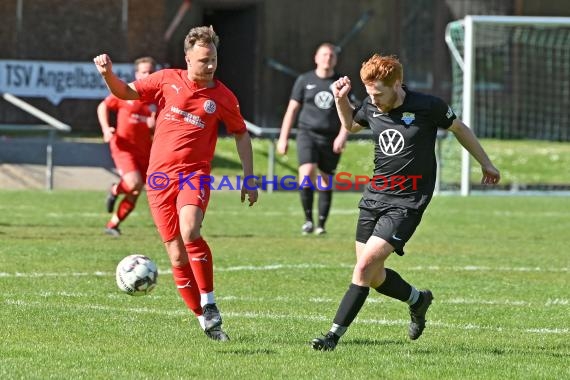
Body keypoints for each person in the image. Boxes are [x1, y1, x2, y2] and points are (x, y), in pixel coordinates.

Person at [311, 54, 500, 351]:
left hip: (408, 200)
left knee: (362, 268)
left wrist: (486, 164)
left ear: (396, 84)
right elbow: (350, 125)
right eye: (369, 94)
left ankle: (332, 336)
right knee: (373, 276)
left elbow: (460, 129)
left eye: (379, 93)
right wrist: (340, 99)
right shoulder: (371, 105)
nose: (373, 100)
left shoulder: (428, 106)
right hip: (374, 197)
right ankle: (418, 299)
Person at [93, 26, 258, 342]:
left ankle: (209, 302)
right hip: (158, 179)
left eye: (213, 59)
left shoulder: (222, 97)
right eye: (203, 60)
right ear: (188, 58)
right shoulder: (167, 79)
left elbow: (241, 134)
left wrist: (249, 177)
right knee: (176, 256)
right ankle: (205, 321)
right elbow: (125, 92)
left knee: (190, 230)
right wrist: (107, 75)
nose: (209, 66)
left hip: (193, 175)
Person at [277, 43, 356, 236]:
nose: (327, 58)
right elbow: (292, 110)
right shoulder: (304, 80)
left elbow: (350, 112)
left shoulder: (341, 83)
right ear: (316, 58)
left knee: (325, 180)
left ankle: (321, 224)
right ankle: (307, 220)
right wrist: (283, 138)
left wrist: (342, 135)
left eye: (331, 55)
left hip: (330, 138)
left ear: (335, 59)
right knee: (307, 172)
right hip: (307, 134)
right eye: (324, 55)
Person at [97, 56, 157, 237]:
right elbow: (103, 106)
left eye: (151, 72)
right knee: (134, 183)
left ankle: (112, 225)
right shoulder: (128, 91)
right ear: (137, 73)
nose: (147, 75)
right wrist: (106, 129)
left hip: (146, 150)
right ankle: (115, 189)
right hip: (123, 146)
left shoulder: (158, 98)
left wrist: (155, 126)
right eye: (144, 71)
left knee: (136, 190)